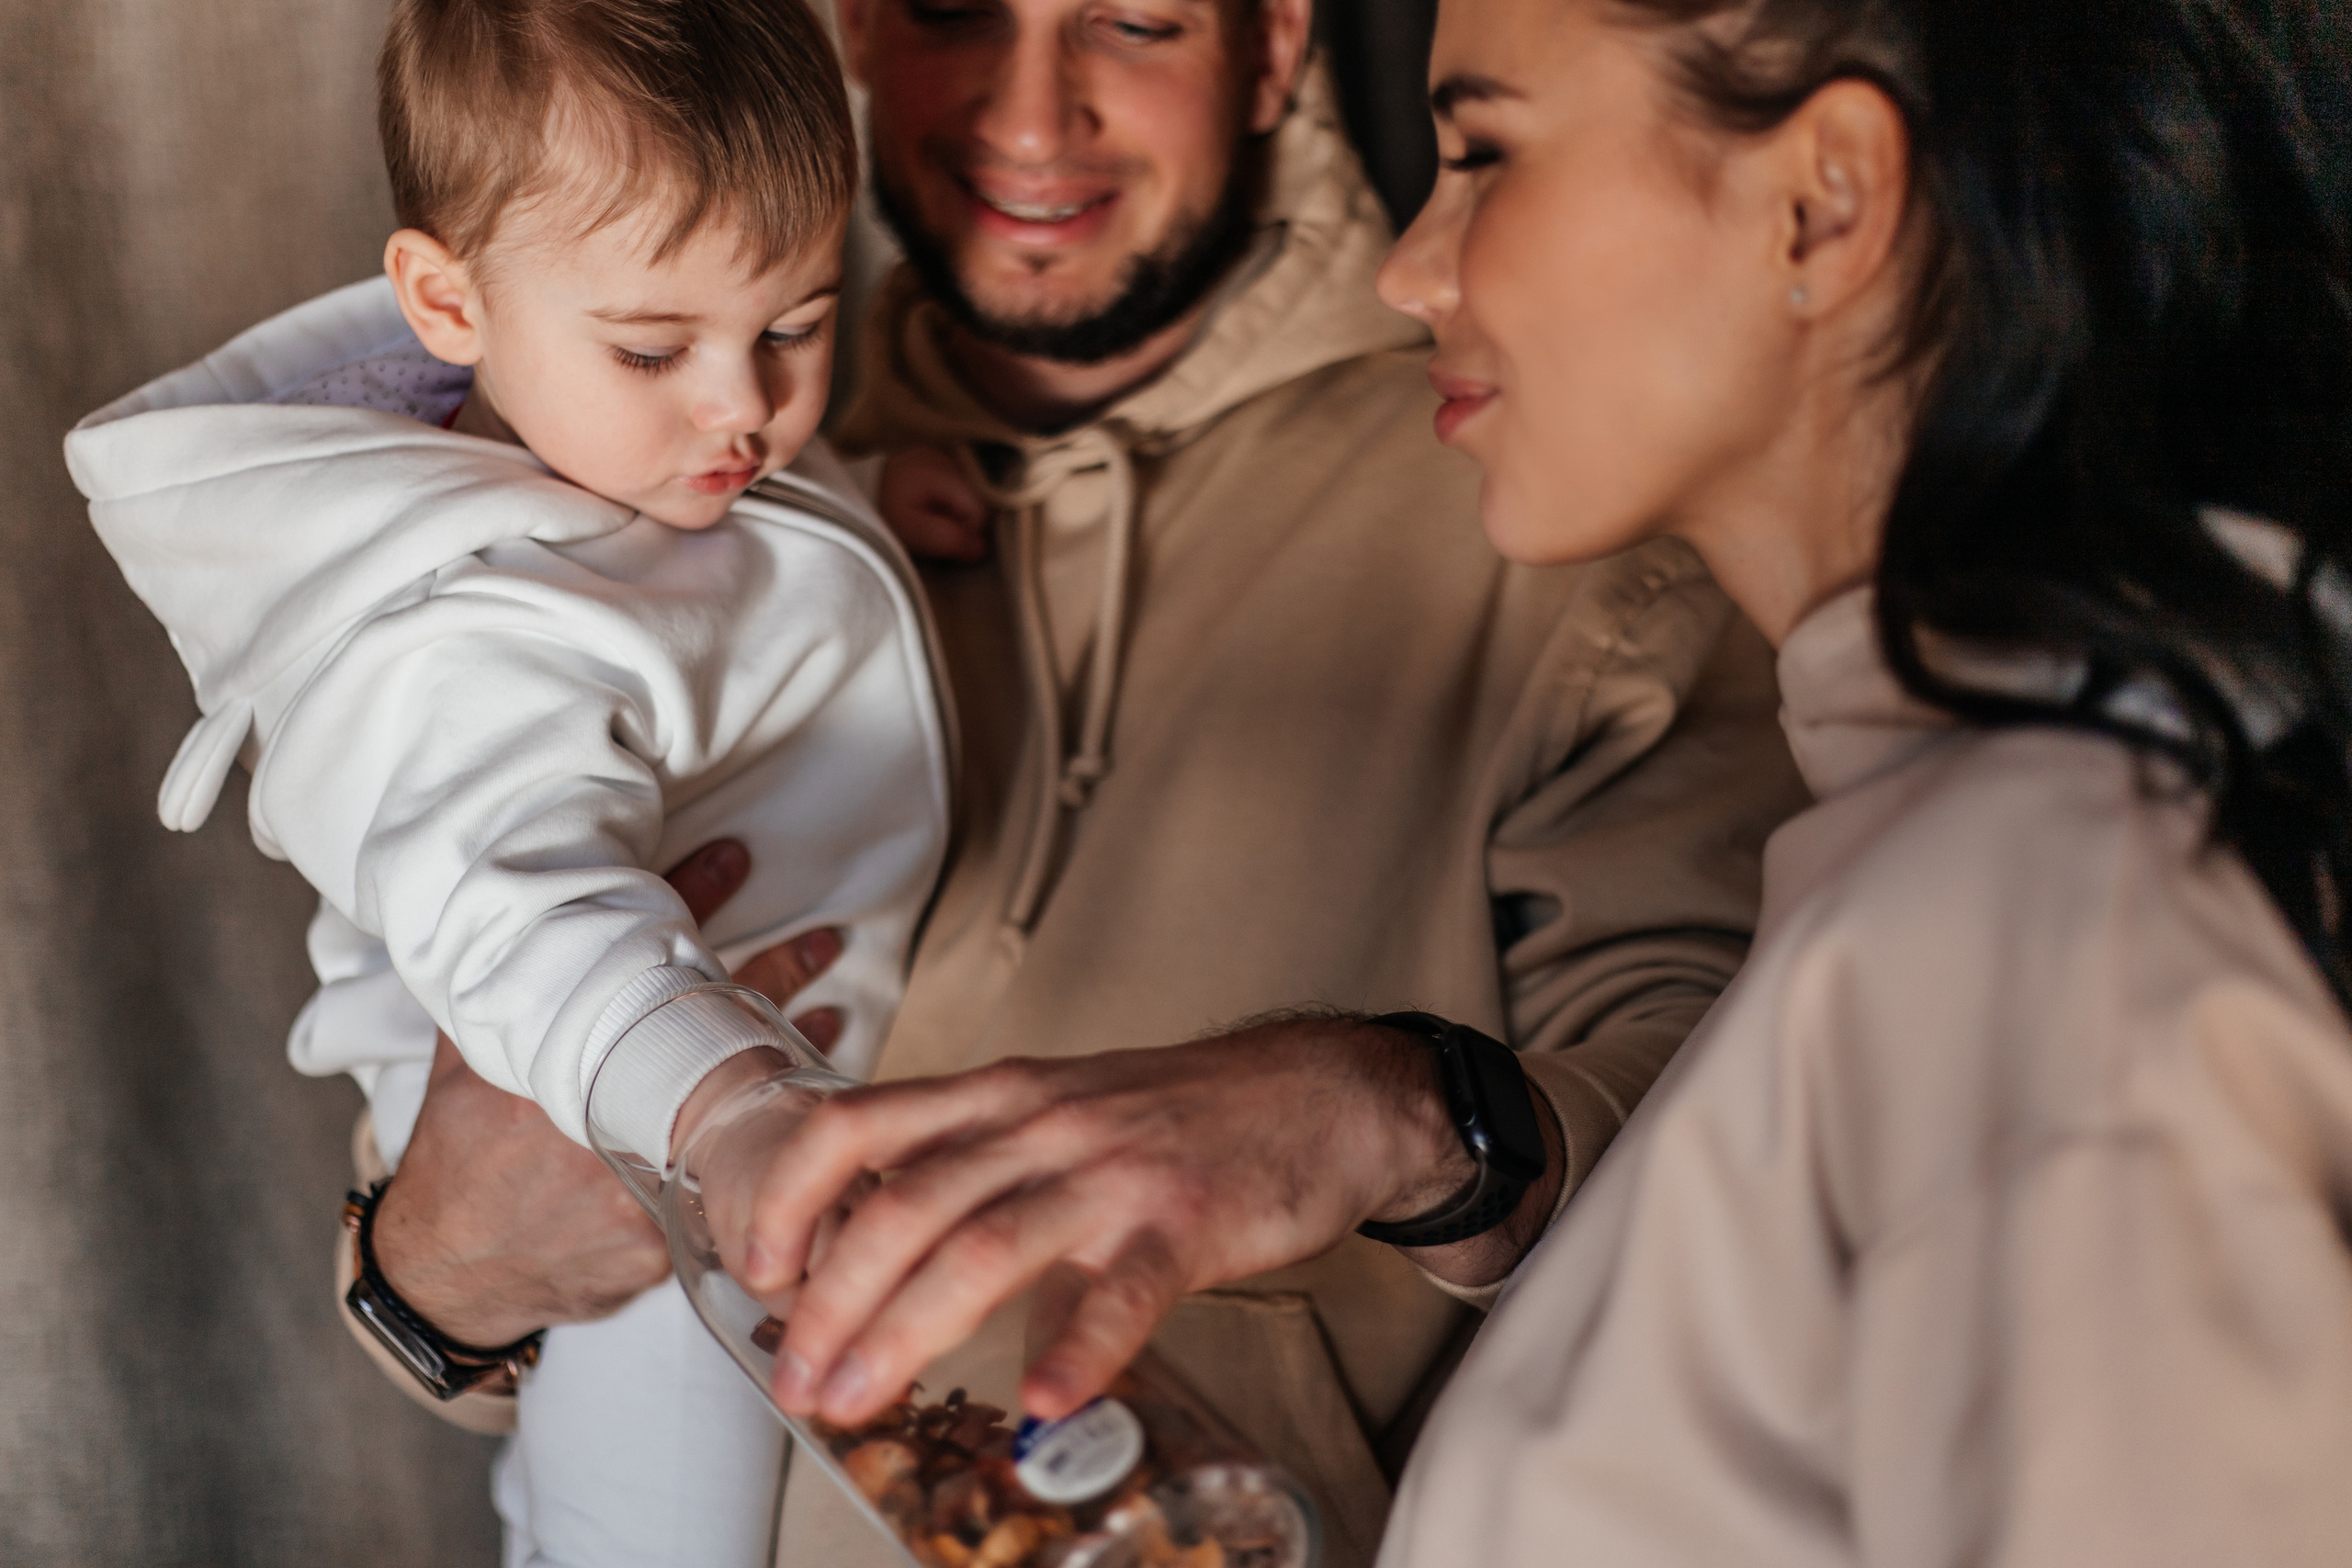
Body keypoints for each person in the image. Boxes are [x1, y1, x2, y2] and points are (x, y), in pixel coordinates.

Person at [717, 0, 2352, 1560]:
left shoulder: (2063, 911)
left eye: (1485, 153)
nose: (1416, 268)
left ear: (1823, 202)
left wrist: (1417, 1116)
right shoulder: (1933, 866)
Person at [363, 0, 1810, 1562]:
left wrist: (1394, 1110)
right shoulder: (661, 452)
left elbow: (1765, 1156)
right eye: (952, 11)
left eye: (1132, 20)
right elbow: (440, 1246)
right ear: (854, 26)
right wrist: (434, 1263)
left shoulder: (1555, 494)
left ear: (1273, 48)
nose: (1031, 120)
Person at [64, 2, 951, 1562]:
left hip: (723, 1104)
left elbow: (735, 568)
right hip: (629, 1150)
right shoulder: (456, 644)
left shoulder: (635, 451)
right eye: (657, 347)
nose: (744, 408)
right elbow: (535, 924)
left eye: (799, 324)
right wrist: (733, 1118)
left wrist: (873, 500)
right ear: (447, 303)